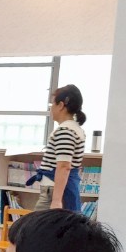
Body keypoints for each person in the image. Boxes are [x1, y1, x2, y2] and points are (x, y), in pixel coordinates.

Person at [30, 84, 87, 212]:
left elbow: (64, 166)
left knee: (38, 225)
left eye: (52, 104)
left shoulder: (65, 131)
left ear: (61, 105)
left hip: (54, 192)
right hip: (58, 190)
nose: (51, 109)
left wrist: (56, 200)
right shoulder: (74, 129)